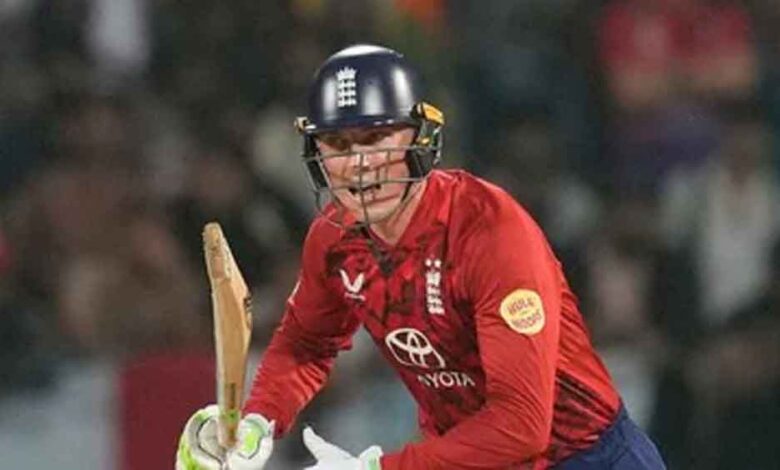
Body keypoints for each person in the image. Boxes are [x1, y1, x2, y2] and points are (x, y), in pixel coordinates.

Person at [175, 44, 666, 469]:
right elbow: (306, 344)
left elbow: (521, 425)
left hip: (585, 457)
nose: (359, 165)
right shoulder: (333, 238)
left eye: (375, 138)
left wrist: (377, 468)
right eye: (338, 143)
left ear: (419, 138)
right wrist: (257, 421)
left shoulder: (489, 232)